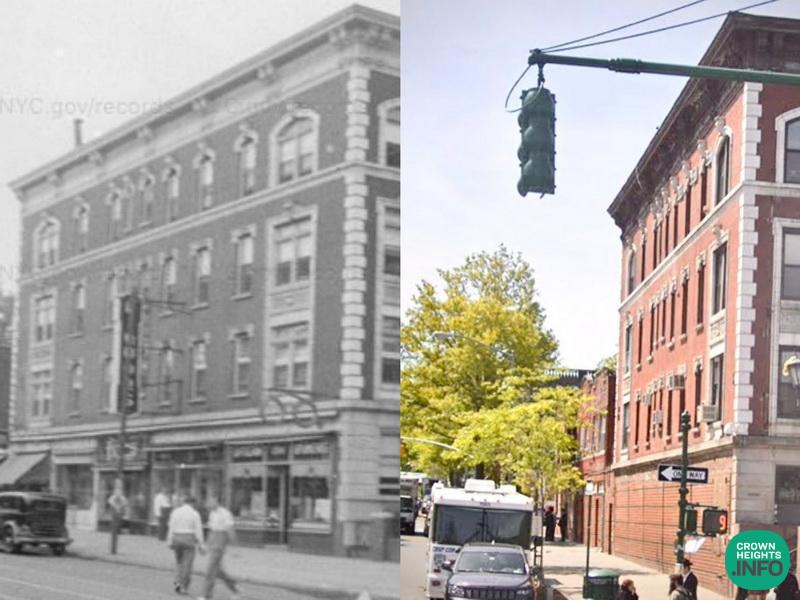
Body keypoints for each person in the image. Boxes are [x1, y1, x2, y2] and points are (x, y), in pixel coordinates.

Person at [197, 493, 240, 600]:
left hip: (221, 540)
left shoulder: (225, 513)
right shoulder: (212, 513)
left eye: (211, 501)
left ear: (217, 501)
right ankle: (234, 587)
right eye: (208, 501)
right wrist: (205, 546)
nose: (209, 503)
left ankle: (206, 595)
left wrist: (235, 547)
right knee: (217, 570)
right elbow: (211, 531)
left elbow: (230, 530)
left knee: (210, 568)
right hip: (214, 539)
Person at [167, 493, 206, 595]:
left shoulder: (175, 512)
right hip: (189, 539)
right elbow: (198, 530)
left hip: (177, 538)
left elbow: (171, 527)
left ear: (184, 502)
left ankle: (177, 582)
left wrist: (169, 541)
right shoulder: (195, 513)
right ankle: (184, 587)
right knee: (187, 564)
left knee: (179, 562)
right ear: (193, 503)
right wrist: (201, 544)